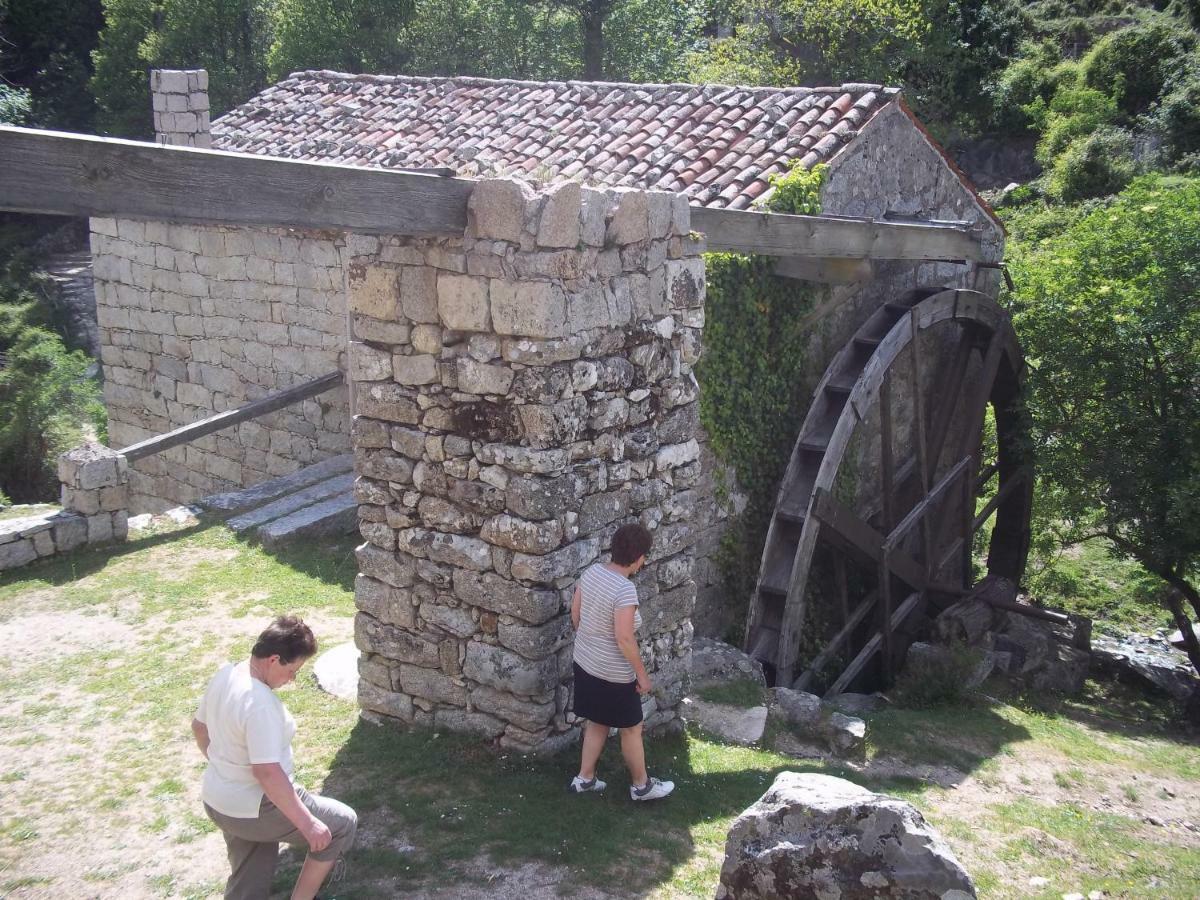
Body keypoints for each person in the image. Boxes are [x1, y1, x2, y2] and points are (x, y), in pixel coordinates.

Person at [191, 615, 357, 900]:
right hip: (256, 806)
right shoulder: (260, 703)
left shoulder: (226, 674)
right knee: (340, 824)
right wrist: (308, 824)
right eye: (292, 670)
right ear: (274, 659)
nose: (291, 679)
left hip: (219, 801)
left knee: (250, 878)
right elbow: (267, 772)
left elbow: (199, 727)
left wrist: (226, 769)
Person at [568, 523, 675, 801]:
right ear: (639, 557)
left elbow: (576, 615)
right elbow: (624, 639)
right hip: (612, 672)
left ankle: (585, 779)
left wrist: (590, 641)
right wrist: (642, 675)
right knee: (631, 727)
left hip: (585, 661)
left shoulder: (591, 573)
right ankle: (642, 786)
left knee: (597, 720)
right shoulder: (625, 590)